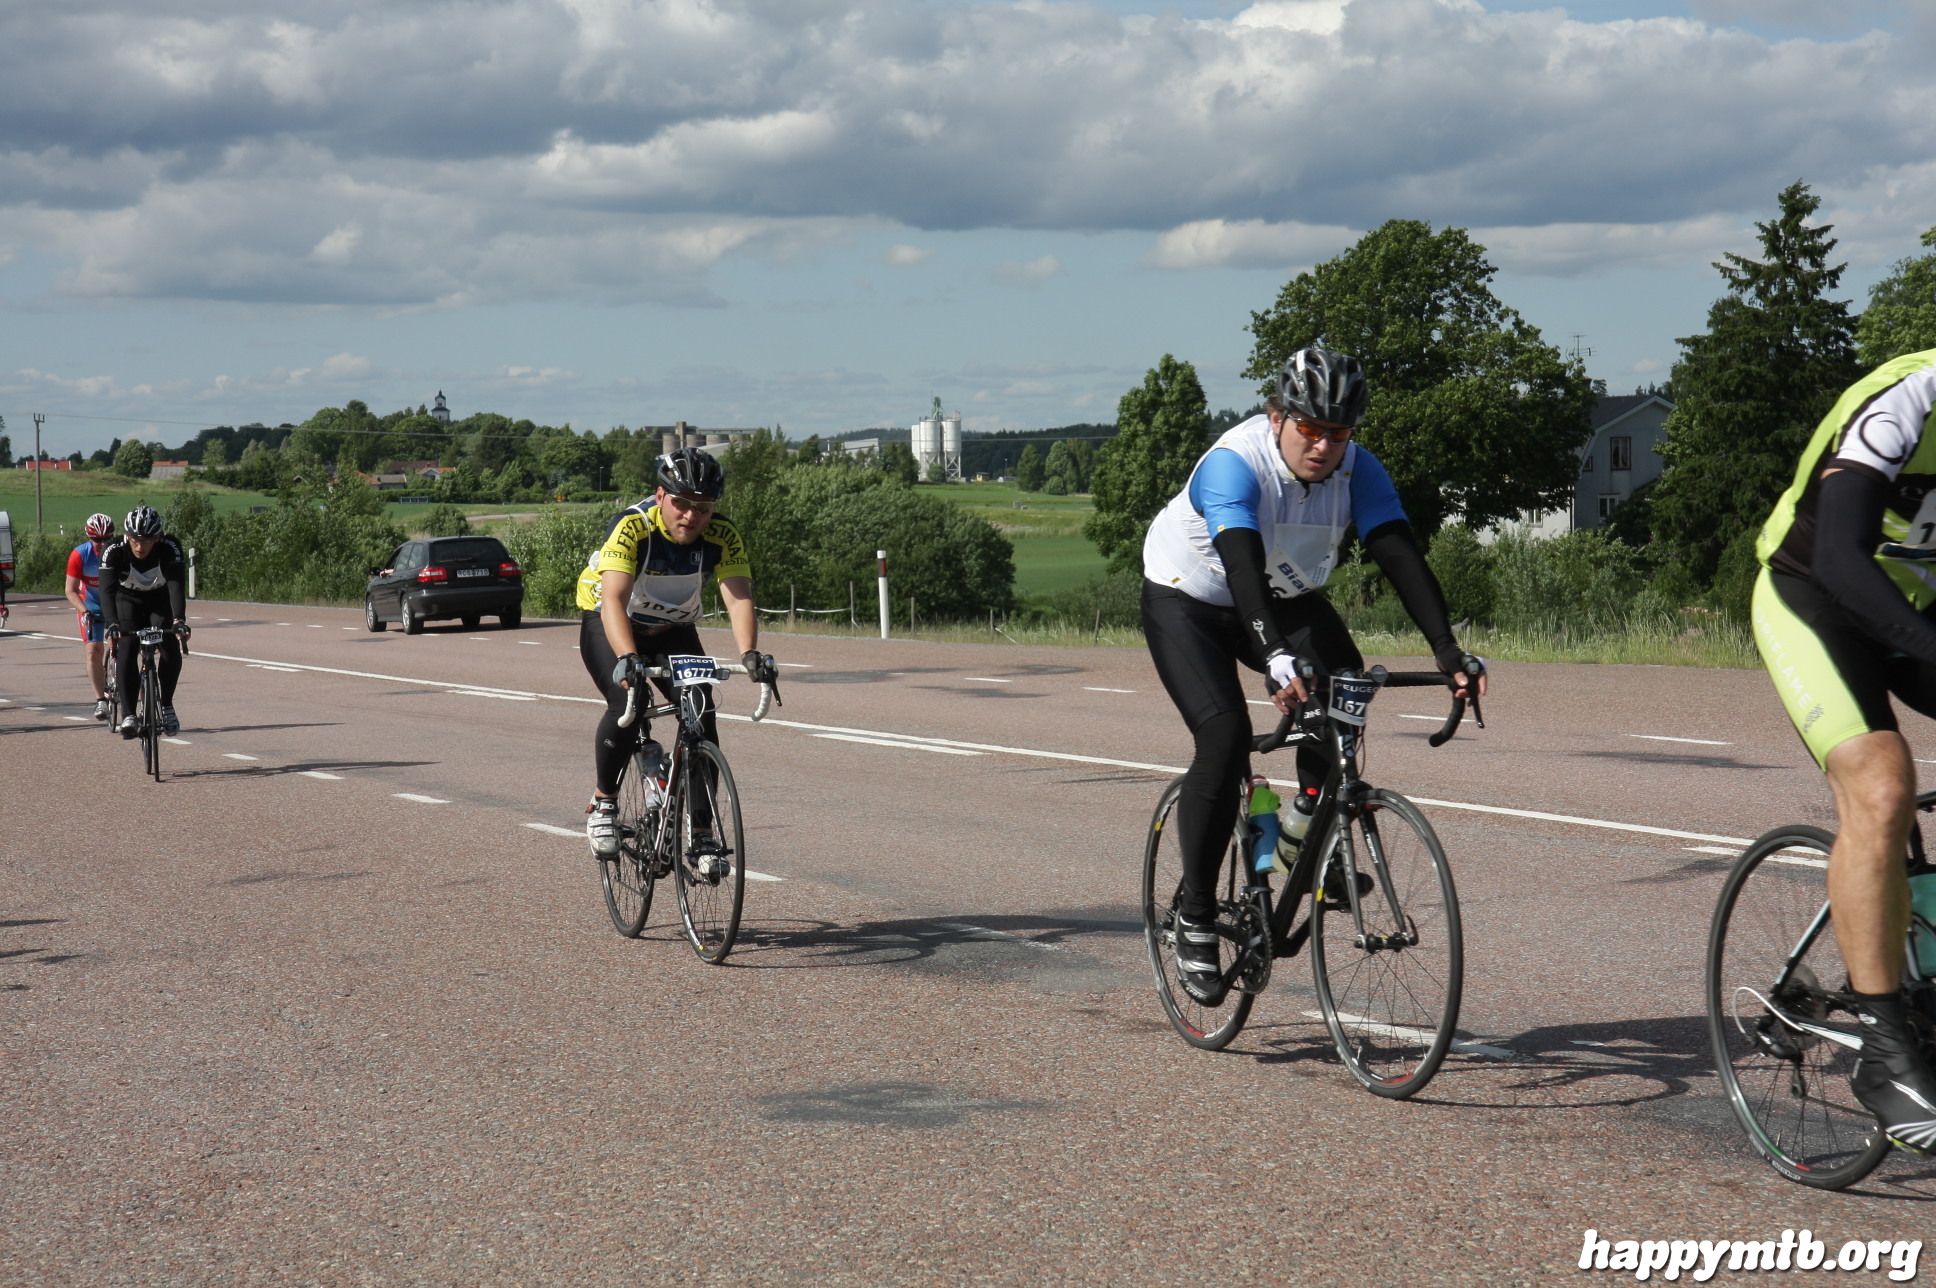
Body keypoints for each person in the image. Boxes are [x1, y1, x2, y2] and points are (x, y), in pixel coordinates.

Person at [1141, 346, 1484, 1005]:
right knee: (1223, 736)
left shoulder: (1359, 469)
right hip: (1190, 598)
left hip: (1283, 594)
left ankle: (1304, 833)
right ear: (1277, 418)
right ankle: (1196, 915)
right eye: (1310, 428)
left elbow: (1396, 551)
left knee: (1344, 691)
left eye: (1339, 432)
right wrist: (1273, 656)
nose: (1324, 446)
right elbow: (1241, 569)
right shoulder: (1234, 465)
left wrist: (1447, 650)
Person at [1752, 346, 1936, 1153]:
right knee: (1883, 788)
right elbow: (1838, 556)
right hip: (1817, 595)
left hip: (1918, 607)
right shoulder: (1909, 397)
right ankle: (1885, 1048)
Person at [574, 448, 775, 860]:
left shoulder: (723, 534)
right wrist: (628, 657)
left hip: (672, 628)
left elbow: (738, 598)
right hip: (612, 620)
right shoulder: (632, 526)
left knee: (700, 707)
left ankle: (701, 832)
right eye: (681, 503)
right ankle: (604, 803)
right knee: (630, 699)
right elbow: (613, 599)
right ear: (661, 496)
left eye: (703, 507)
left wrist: (750, 653)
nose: (691, 515)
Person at [98, 505, 190, 738]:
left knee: (170, 648)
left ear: (157, 538)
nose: (140, 547)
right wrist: (112, 625)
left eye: (147, 541)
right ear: (127, 536)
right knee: (127, 647)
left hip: (159, 601)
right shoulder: (113, 550)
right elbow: (106, 592)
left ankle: (167, 705)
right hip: (127, 601)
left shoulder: (169, 547)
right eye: (136, 540)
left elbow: (176, 586)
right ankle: (129, 714)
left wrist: (179, 620)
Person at [64, 513, 116, 720]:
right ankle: (100, 700)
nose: (102, 543)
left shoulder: (119, 552)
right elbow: (70, 590)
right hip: (91, 604)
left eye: (106, 539)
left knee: (125, 647)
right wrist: (84, 611)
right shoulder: (80, 555)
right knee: (94, 650)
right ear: (89, 537)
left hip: (115, 603)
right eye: (97, 539)